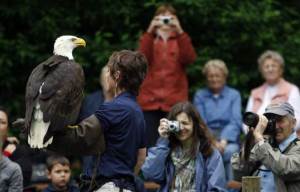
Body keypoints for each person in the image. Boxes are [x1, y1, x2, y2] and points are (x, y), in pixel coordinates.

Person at [50, 50, 148, 192]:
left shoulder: (113, 108)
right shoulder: (137, 111)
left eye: (109, 71)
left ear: (117, 76)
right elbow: (141, 156)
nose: (107, 76)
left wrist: (41, 136)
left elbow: (78, 137)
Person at [138, 4, 197, 147]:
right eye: (162, 17)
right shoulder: (149, 39)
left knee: (174, 144)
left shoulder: (180, 39)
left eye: (169, 17)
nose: (165, 21)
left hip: (174, 102)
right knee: (149, 145)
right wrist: (150, 31)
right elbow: (140, 60)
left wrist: (180, 30)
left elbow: (189, 58)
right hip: (149, 102)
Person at [141, 102, 227, 192]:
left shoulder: (209, 152)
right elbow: (150, 174)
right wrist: (163, 141)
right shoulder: (166, 149)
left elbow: (217, 189)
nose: (181, 128)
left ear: (195, 125)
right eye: (177, 124)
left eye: (185, 123)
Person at [232, 102, 300, 192]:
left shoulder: (263, 146)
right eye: (270, 121)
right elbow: (239, 172)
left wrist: (260, 141)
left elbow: (285, 169)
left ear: (293, 123)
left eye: (280, 120)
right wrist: (251, 140)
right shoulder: (263, 145)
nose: (275, 126)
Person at [193, 59, 242, 183]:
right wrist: (213, 141)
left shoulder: (234, 95)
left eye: (217, 76)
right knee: (207, 151)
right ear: (206, 78)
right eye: (210, 76)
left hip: (229, 139)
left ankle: (231, 190)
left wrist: (224, 141)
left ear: (224, 77)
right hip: (206, 137)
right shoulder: (200, 95)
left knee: (231, 152)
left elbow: (236, 120)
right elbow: (200, 122)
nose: (214, 79)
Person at [246, 50, 300, 132]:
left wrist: (277, 132)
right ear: (262, 71)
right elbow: (247, 119)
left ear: (281, 69)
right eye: (266, 66)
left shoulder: (292, 89)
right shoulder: (255, 93)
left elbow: (298, 119)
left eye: (274, 66)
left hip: (283, 137)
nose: (270, 69)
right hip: (256, 136)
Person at [0, 106, 33, 187]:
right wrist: (5, 154)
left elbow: (22, 182)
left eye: (2, 122)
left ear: (7, 129)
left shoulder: (18, 151)